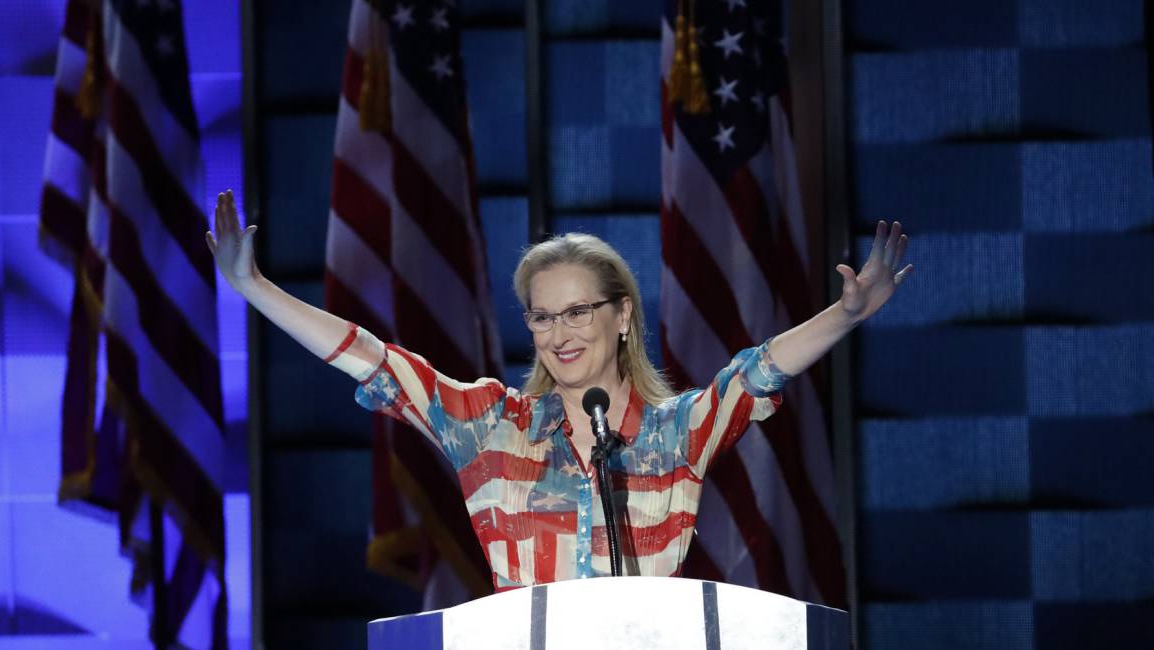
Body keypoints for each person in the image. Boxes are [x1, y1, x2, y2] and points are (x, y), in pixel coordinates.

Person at [206, 189, 912, 590]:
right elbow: (374, 361)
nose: (559, 333)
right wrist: (255, 287)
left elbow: (756, 373)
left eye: (578, 312)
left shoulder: (675, 433)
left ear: (622, 315)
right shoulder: (488, 425)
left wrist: (845, 315)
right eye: (542, 316)